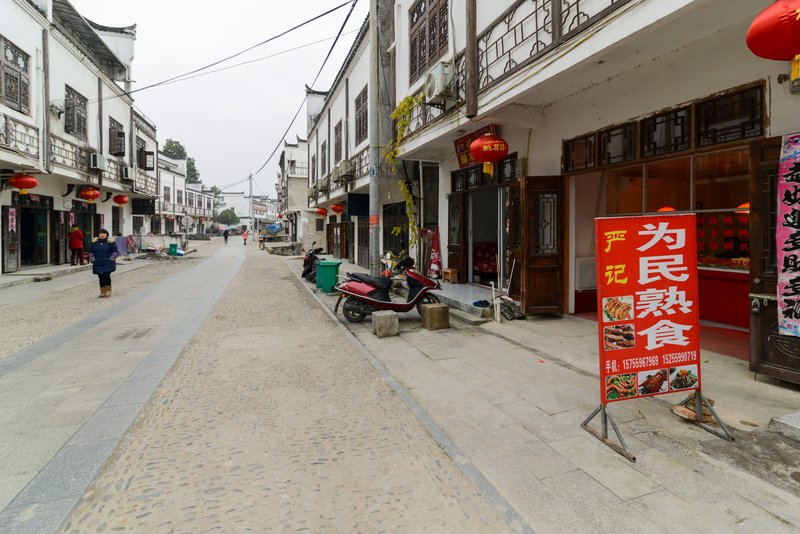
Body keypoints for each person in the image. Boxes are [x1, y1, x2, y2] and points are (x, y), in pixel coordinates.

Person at [88, 228, 118, 298]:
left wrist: (111, 259)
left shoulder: (111, 242)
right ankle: (102, 292)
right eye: (100, 233)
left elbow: (115, 252)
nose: (102, 235)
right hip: (98, 262)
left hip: (108, 262)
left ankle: (108, 291)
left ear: (107, 235)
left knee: (106, 276)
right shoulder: (94, 243)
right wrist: (93, 260)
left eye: (104, 233)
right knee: (100, 277)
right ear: (98, 235)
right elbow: (90, 252)